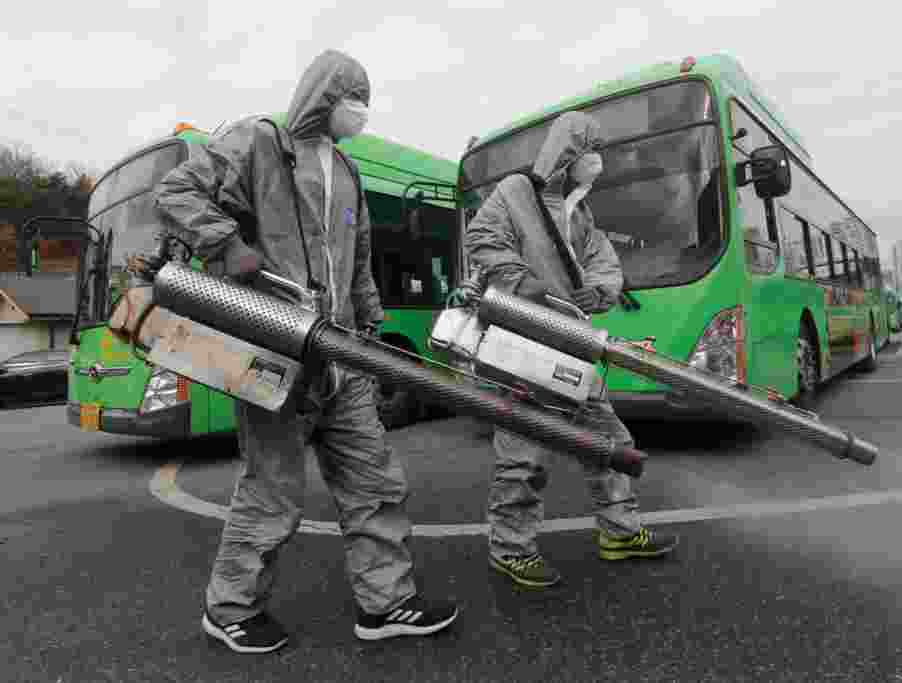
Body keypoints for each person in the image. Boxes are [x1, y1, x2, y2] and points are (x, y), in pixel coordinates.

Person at [146, 50, 459, 653]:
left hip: (342, 357)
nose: (360, 110)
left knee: (374, 484)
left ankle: (387, 602)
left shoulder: (346, 171)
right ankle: (230, 607)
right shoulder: (258, 143)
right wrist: (228, 243)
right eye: (354, 96)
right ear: (324, 95)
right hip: (273, 350)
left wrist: (370, 320)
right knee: (271, 493)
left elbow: (358, 256)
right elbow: (177, 192)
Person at [464, 111, 678, 588]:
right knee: (524, 456)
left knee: (612, 443)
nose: (598, 162)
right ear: (567, 154)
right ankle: (511, 548)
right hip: (520, 345)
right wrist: (526, 283)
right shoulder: (515, 194)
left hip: (572, 346)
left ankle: (620, 532)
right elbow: (481, 238)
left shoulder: (580, 210)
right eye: (590, 152)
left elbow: (604, 261)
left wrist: (598, 292)